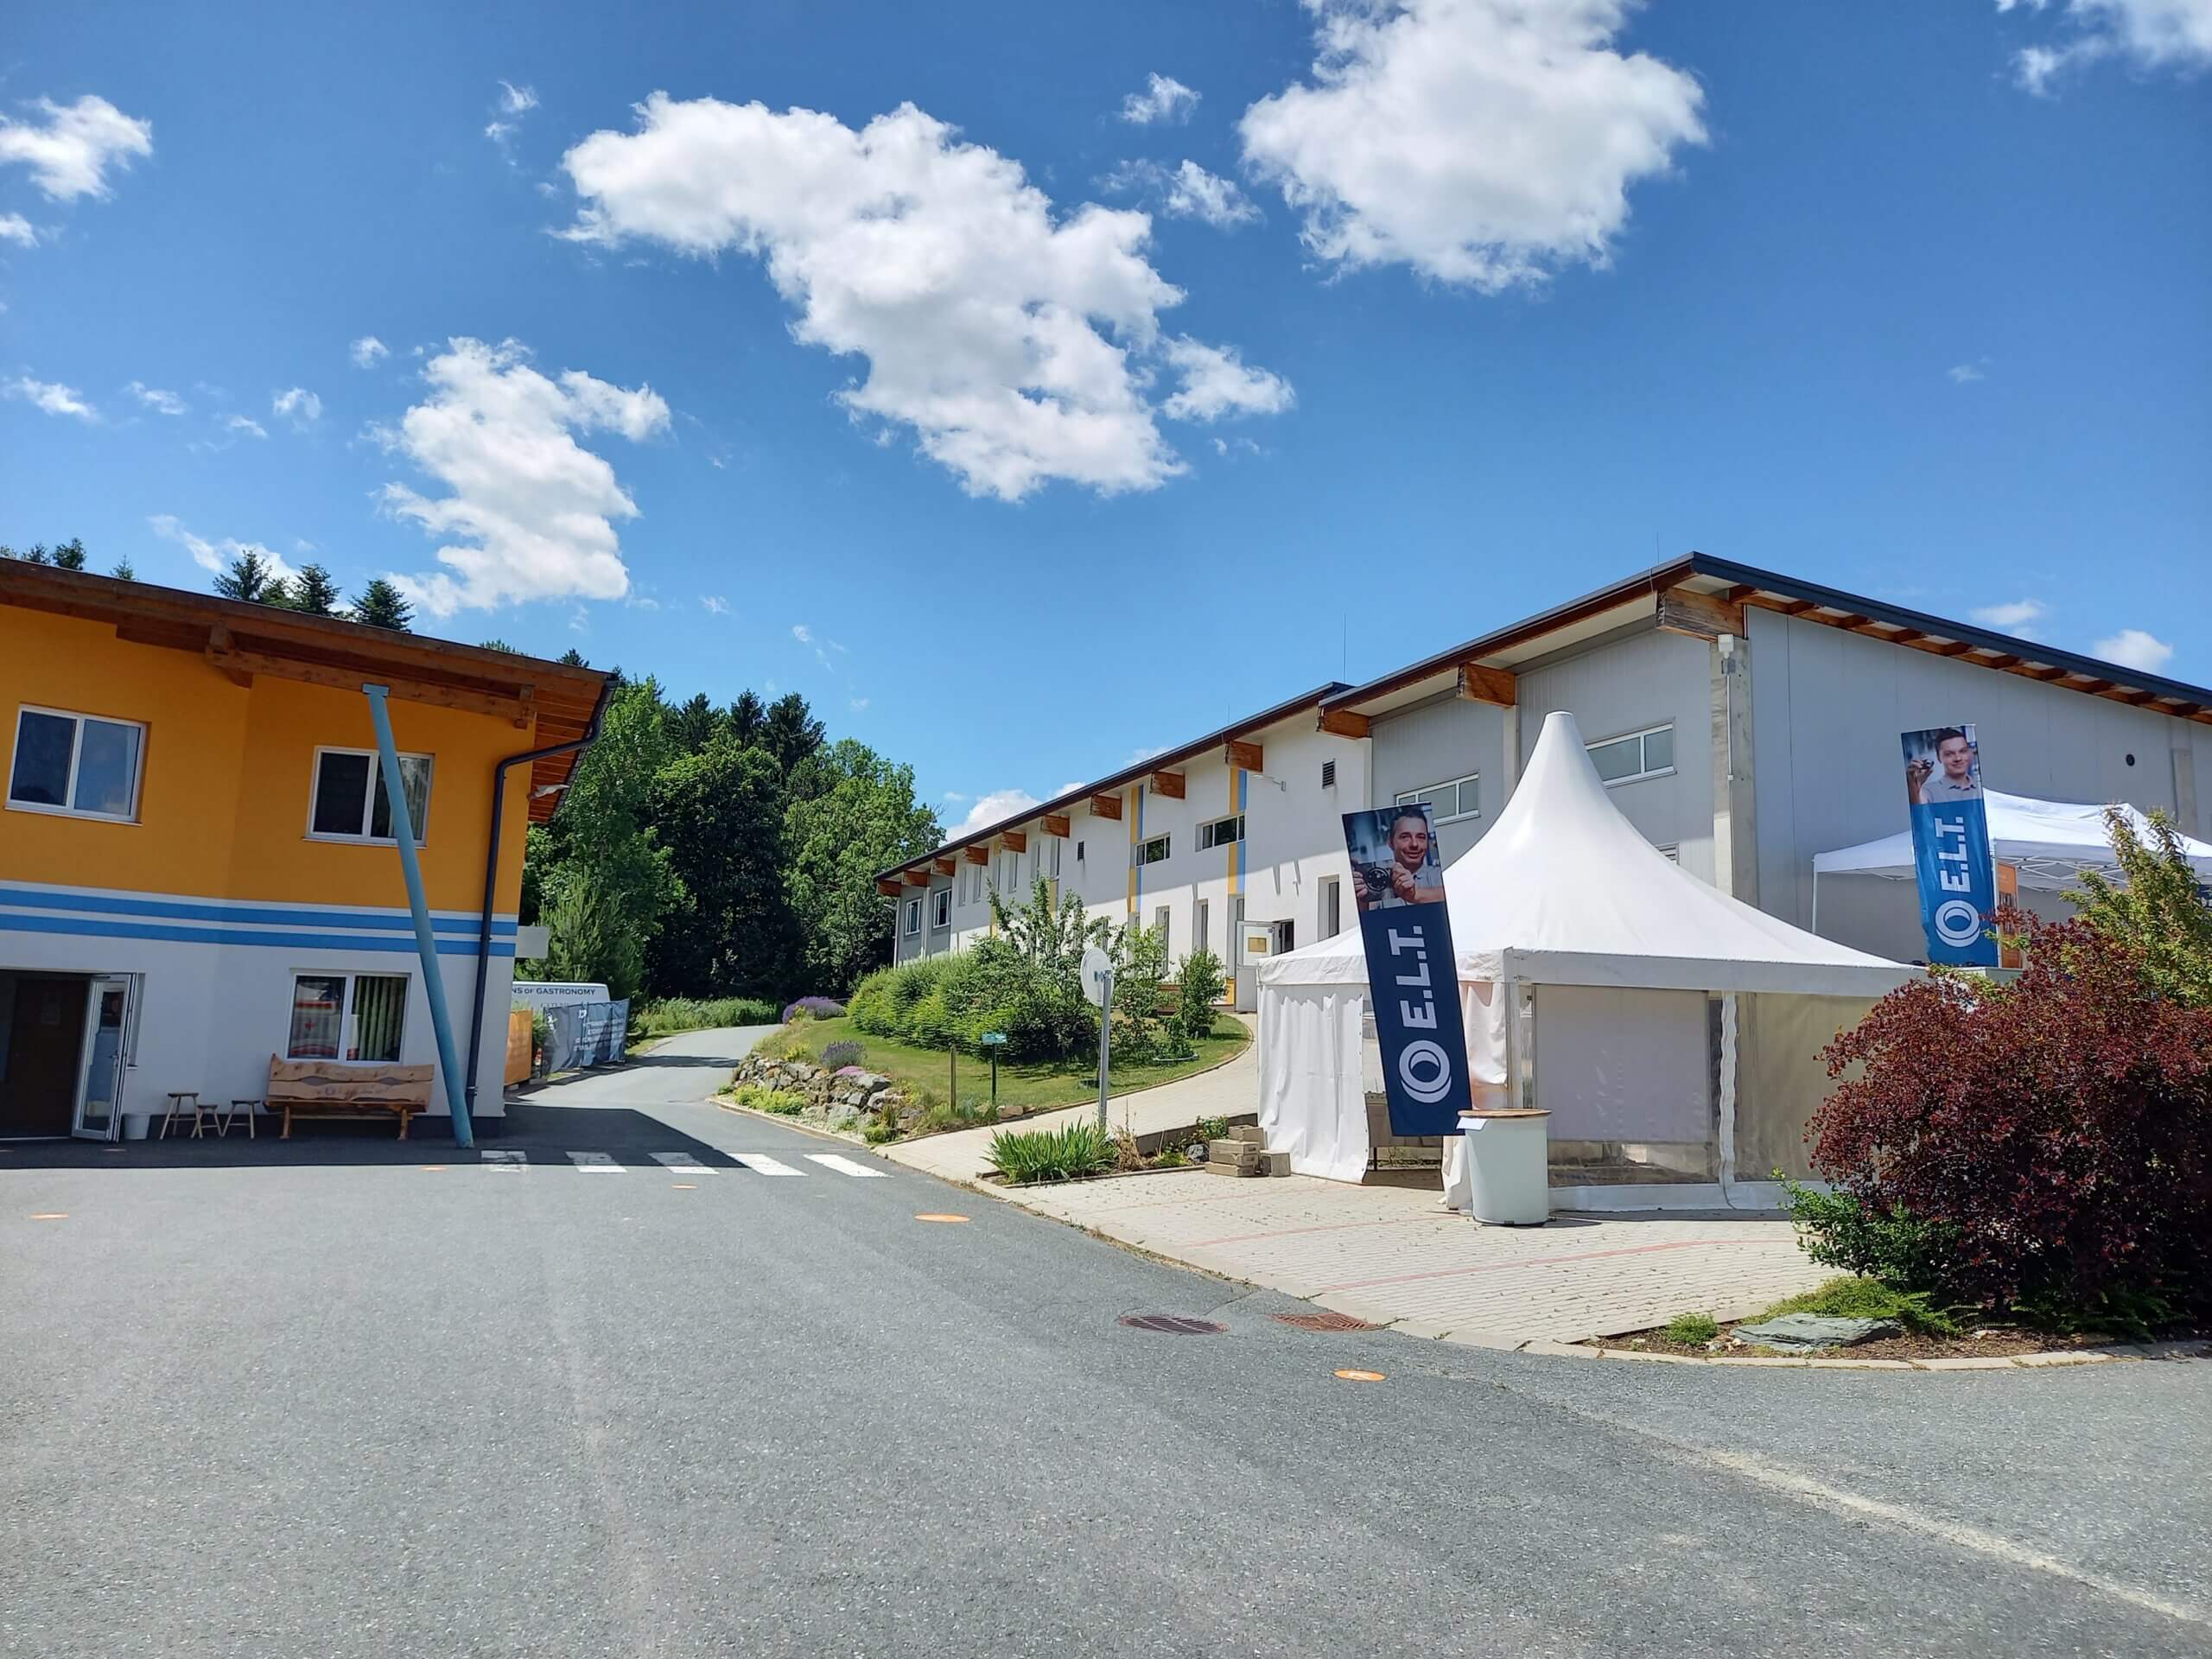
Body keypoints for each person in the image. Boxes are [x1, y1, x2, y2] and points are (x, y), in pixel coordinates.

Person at [1357, 810, 1446, 910]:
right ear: (1391, 842)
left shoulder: (1443, 875)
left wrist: (1415, 895)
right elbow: (1367, 920)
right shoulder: (1377, 884)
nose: (1414, 844)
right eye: (1405, 837)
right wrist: (1359, 898)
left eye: (1421, 837)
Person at [1906, 728, 1982, 804]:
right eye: (1949, 754)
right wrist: (1914, 785)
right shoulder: (1928, 791)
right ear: (1939, 758)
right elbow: (1918, 809)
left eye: (1962, 751)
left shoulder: (1981, 788)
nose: (1958, 758)